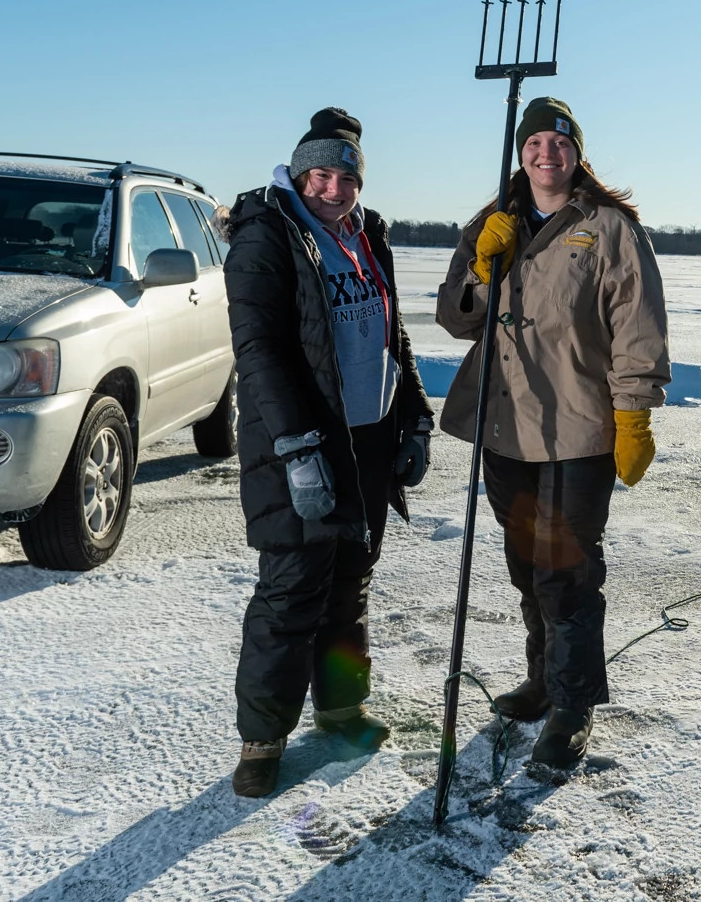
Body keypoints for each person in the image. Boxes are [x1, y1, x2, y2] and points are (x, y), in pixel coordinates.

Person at [435, 96, 669, 768]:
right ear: (521, 153)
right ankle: (541, 681)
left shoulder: (607, 228)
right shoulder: (492, 222)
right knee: (525, 568)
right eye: (534, 143)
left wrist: (633, 412)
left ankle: (571, 706)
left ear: (576, 153)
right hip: (508, 427)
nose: (546, 154)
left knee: (566, 573)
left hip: (579, 430)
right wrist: (484, 265)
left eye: (558, 144)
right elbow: (458, 318)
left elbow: (638, 324)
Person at [222, 106, 433, 798]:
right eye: (319, 173)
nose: (333, 188)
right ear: (298, 172)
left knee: (350, 580)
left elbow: (388, 333)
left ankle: (341, 711)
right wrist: (295, 446)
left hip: (366, 438)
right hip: (301, 442)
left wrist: (416, 417)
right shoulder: (267, 234)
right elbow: (260, 353)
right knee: (290, 592)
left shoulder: (366, 233)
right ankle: (262, 741)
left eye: (344, 176)